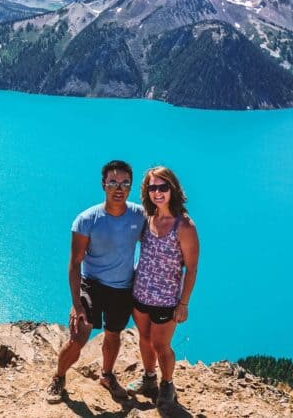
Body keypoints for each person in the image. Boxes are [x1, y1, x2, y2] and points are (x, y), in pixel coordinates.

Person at [46, 160, 145, 404]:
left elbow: (157, 241)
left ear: (130, 187)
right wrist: (76, 303)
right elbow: (74, 263)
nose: (118, 188)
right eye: (113, 182)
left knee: (114, 334)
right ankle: (58, 377)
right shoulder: (86, 220)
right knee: (78, 337)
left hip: (122, 287)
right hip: (92, 284)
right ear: (103, 185)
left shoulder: (139, 215)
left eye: (124, 183)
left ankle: (107, 376)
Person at [126, 166, 199, 409]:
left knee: (161, 345)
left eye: (162, 187)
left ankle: (167, 384)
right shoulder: (147, 218)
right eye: (152, 187)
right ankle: (149, 378)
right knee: (145, 340)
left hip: (167, 299)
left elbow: (191, 269)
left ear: (172, 189)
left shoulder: (184, 225)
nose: (157, 192)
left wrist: (184, 303)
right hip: (140, 293)